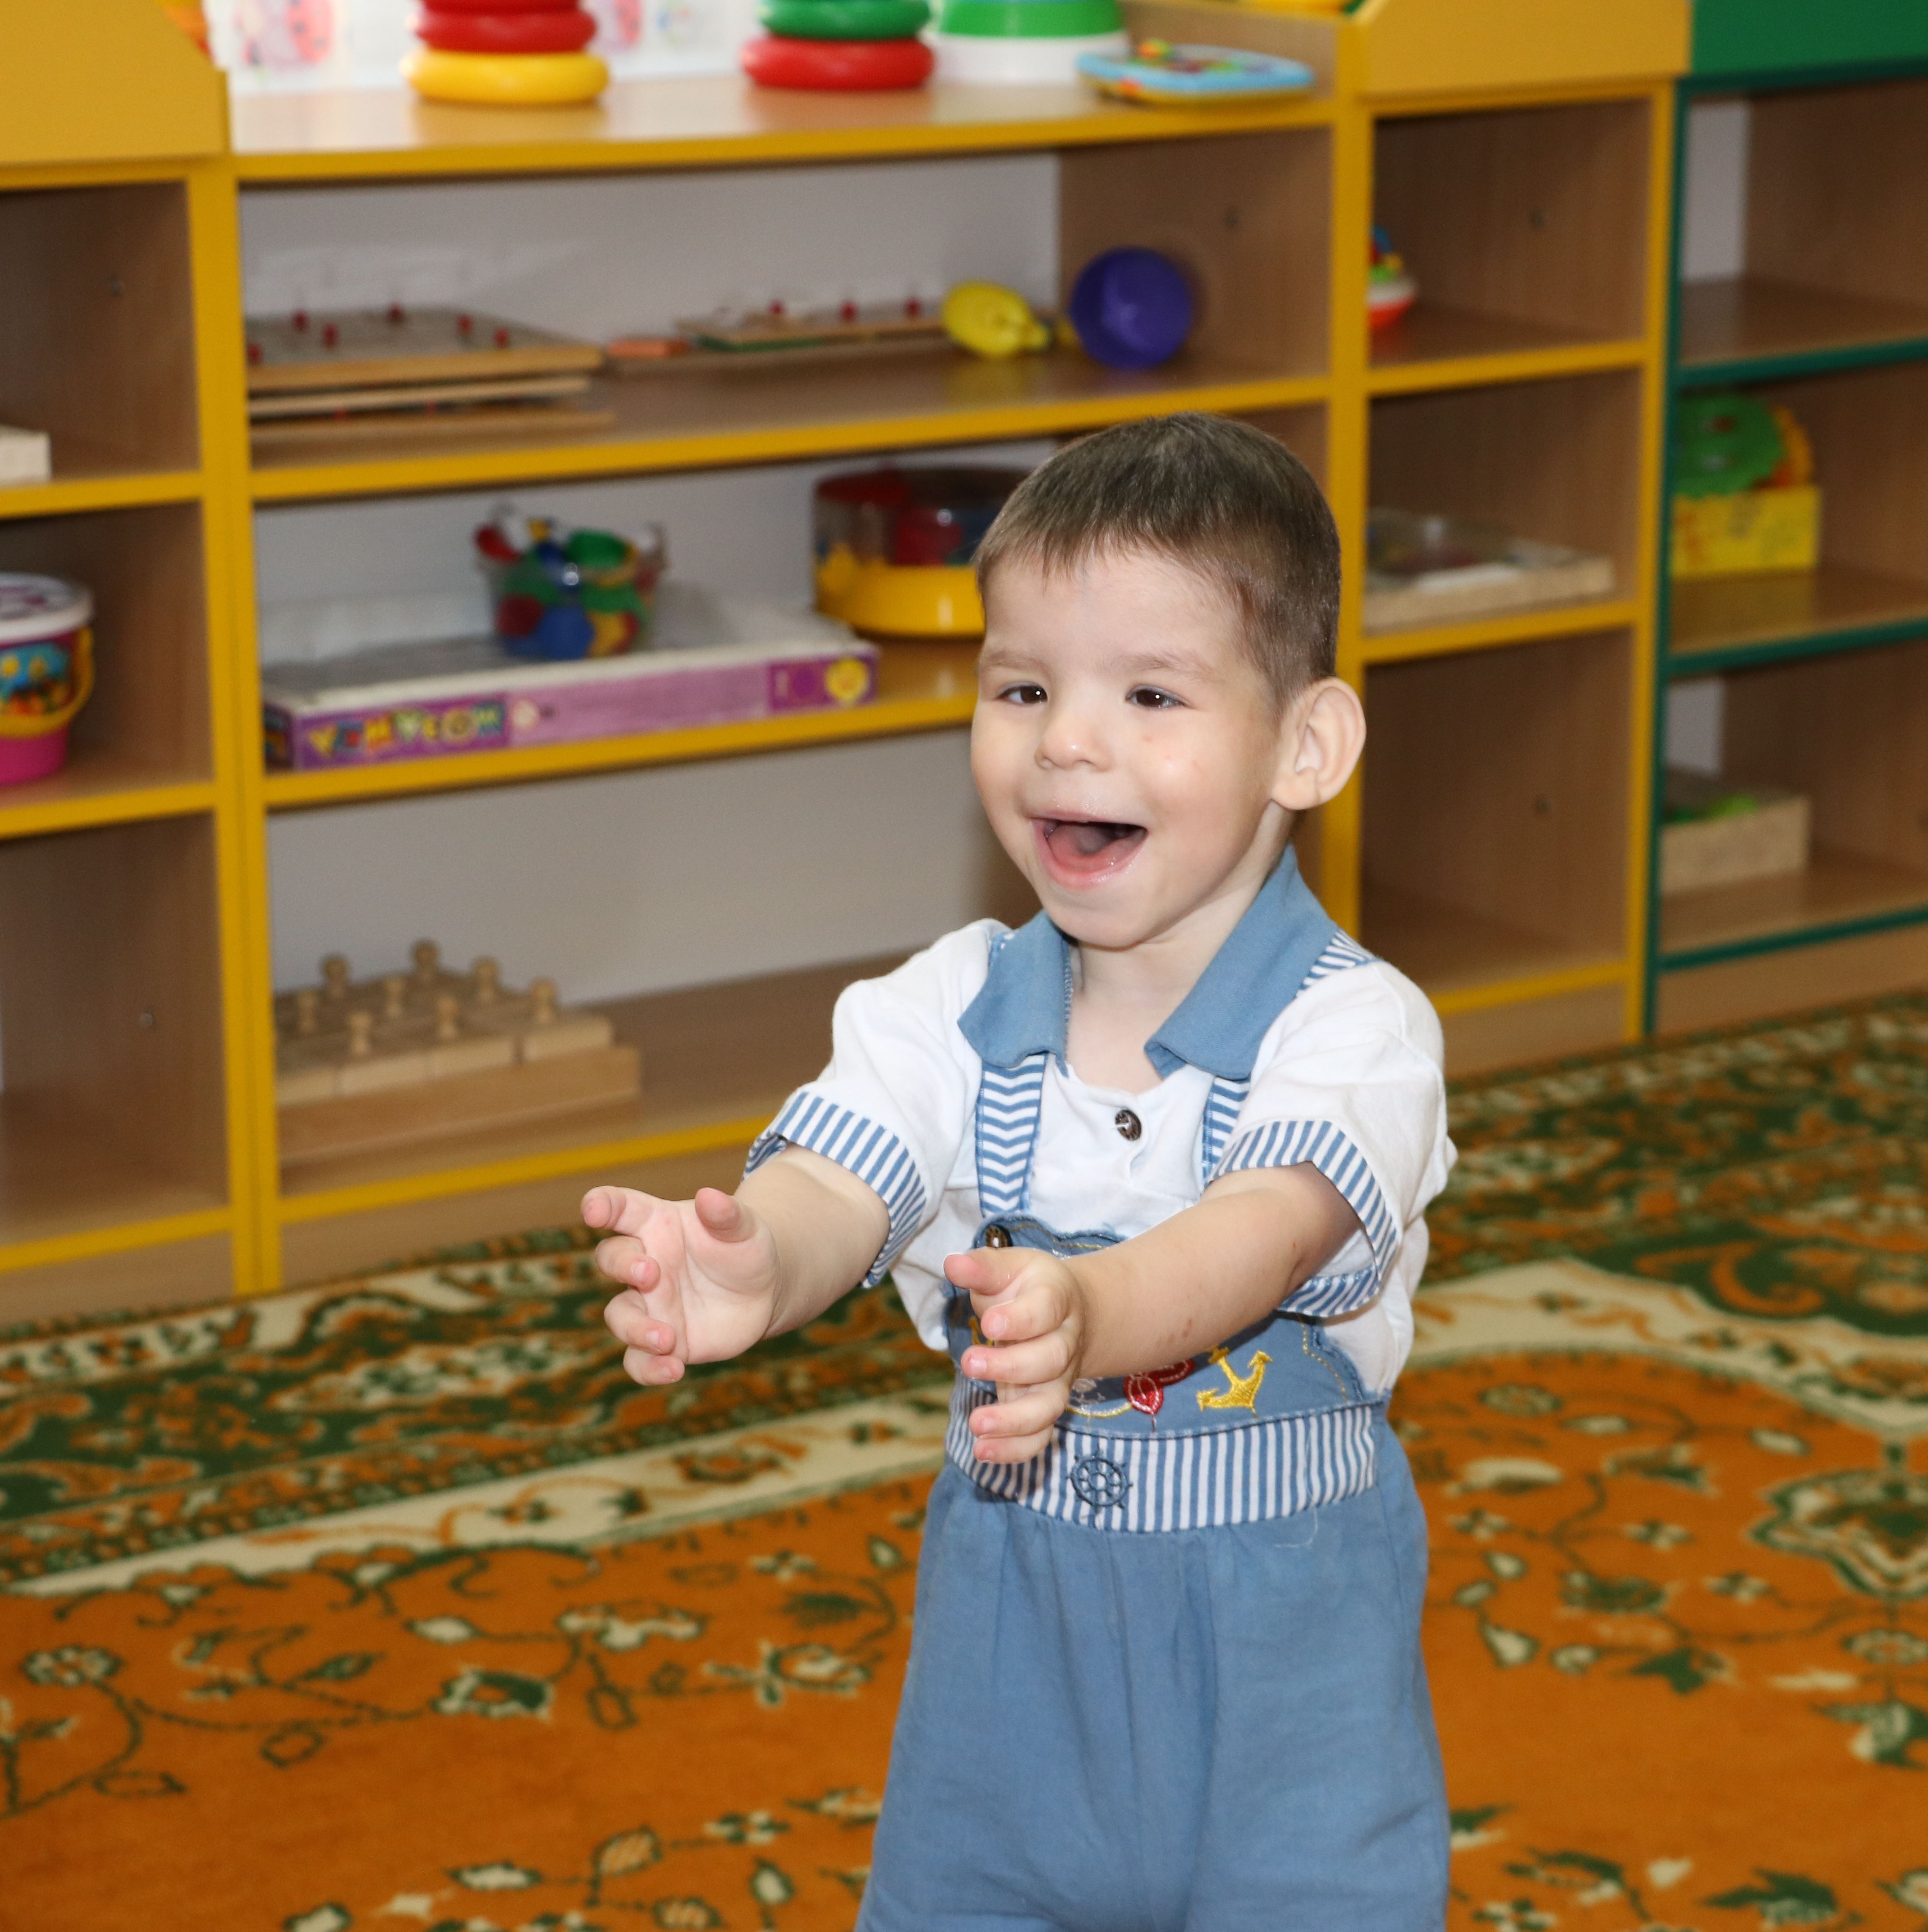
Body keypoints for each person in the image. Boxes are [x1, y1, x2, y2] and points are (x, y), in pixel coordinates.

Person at [584, 412, 1453, 1932]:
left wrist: (1092, 1312)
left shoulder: (1354, 1031)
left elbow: (1266, 1229)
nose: (1065, 740)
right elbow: (843, 1178)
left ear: (1305, 746)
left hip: (1290, 1709)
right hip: (1005, 1705)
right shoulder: (950, 1008)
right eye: (1025, 688)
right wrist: (760, 1263)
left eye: (1150, 693)